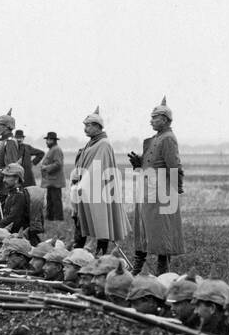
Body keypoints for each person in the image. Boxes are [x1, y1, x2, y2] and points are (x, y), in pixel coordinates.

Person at [129, 95, 185, 276]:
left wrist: (176, 190)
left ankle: (163, 273)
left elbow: (174, 166)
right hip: (148, 191)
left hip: (161, 193)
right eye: (152, 117)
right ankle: (137, 268)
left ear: (166, 120)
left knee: (162, 232)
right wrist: (140, 163)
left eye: (155, 117)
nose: (151, 120)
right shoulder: (156, 138)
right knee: (144, 228)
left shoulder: (168, 138)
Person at [69, 107, 129, 253]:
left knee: (101, 220)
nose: (85, 129)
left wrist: (81, 185)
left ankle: (100, 253)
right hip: (84, 189)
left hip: (98, 190)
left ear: (97, 126)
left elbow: (96, 169)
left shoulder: (103, 144)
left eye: (88, 125)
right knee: (80, 222)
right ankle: (77, 252)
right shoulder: (91, 143)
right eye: (84, 125)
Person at [40, 131, 66, 222]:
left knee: (56, 201)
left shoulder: (56, 149)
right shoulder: (53, 149)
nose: (47, 141)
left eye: (49, 140)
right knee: (50, 200)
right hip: (51, 181)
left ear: (54, 140)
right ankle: (50, 218)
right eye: (47, 139)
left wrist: (46, 168)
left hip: (55, 180)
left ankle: (58, 219)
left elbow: (58, 164)